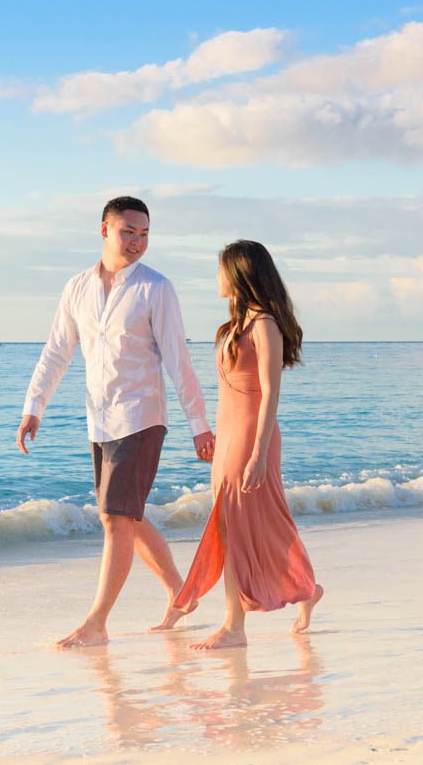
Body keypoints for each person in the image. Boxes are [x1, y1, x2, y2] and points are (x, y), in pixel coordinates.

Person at [16, 196, 215, 648]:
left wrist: (199, 425)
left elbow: (179, 362)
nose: (137, 242)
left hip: (142, 417)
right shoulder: (76, 288)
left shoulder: (156, 288)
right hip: (99, 419)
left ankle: (97, 623)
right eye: (128, 232)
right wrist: (34, 407)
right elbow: (57, 351)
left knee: (115, 518)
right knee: (127, 515)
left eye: (144, 234)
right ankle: (182, 595)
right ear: (104, 230)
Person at [156, 239, 324, 649]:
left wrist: (258, 453)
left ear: (239, 273)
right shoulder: (235, 325)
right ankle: (307, 589)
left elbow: (270, 394)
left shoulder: (264, 324)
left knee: (234, 525)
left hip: (252, 436)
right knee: (251, 524)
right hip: (229, 436)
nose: (216, 277)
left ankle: (234, 626)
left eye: (220, 269)